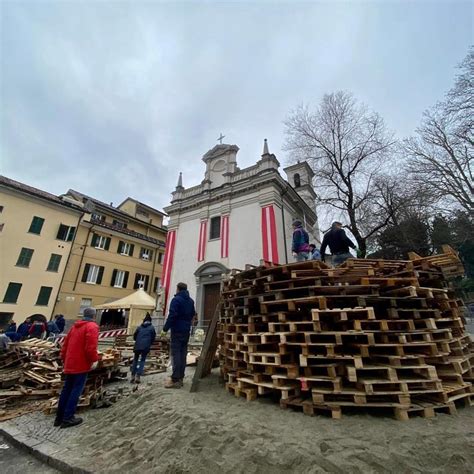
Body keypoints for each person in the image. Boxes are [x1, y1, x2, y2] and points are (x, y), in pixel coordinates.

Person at [55, 307, 99, 429]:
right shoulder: (92, 327)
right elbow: (90, 347)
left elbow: (65, 345)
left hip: (70, 363)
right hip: (81, 364)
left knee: (66, 389)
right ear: (94, 316)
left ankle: (59, 417)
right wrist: (94, 360)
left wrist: (64, 359)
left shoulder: (74, 327)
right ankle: (68, 418)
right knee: (76, 390)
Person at [162, 282, 196, 389]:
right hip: (186, 330)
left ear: (178, 289)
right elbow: (192, 314)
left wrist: (165, 329)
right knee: (183, 353)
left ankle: (175, 379)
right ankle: (181, 376)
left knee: (176, 353)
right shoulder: (191, 301)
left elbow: (172, 315)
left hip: (177, 329)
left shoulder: (176, 300)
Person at [131, 313, 156, 384]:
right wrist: (149, 344)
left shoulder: (139, 327)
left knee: (135, 359)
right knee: (142, 360)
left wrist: (138, 341)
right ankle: (138, 376)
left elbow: (134, 336)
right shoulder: (152, 328)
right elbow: (153, 338)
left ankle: (132, 375)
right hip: (145, 346)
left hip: (137, 345)